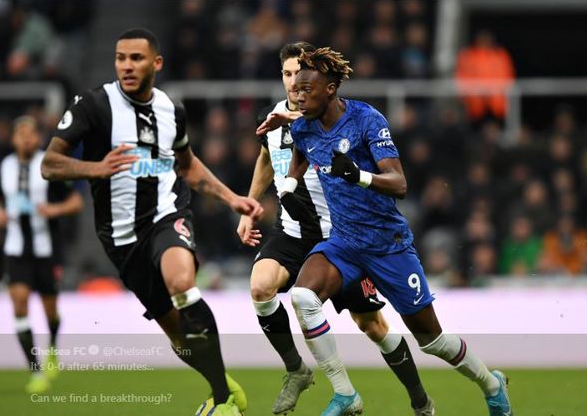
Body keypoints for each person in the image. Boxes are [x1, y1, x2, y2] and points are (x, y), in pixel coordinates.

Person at [278, 47, 514, 416]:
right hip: (344, 243)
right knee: (304, 298)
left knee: (433, 341)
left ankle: (490, 382)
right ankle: (344, 393)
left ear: (331, 89)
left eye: (307, 90)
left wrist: (358, 175)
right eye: (296, 89)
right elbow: (301, 155)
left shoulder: (367, 120)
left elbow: (399, 183)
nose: (299, 96)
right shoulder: (302, 125)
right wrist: (290, 186)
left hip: (388, 245)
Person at [40, 27, 263, 416]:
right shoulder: (94, 106)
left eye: (136, 58)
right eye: (120, 58)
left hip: (167, 215)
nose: (127, 66)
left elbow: (188, 166)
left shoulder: (171, 110)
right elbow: (49, 164)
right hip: (121, 237)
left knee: (181, 282)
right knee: (178, 337)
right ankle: (223, 387)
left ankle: (223, 403)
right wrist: (96, 168)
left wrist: (232, 198)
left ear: (156, 63)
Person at [241, 42, 435, 415]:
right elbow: (266, 158)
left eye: (299, 73)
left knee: (372, 324)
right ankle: (299, 371)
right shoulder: (276, 118)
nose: (293, 81)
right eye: (286, 74)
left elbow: (324, 134)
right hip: (293, 232)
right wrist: (249, 207)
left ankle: (419, 398)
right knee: (260, 286)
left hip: (338, 235)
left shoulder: (321, 117)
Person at [0, 115, 84, 394]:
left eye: (31, 134)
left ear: (38, 138)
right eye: (21, 134)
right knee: (19, 304)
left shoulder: (50, 165)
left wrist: (55, 210)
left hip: (46, 250)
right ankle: (36, 370)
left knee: (51, 311)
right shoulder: (4, 167)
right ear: (14, 139)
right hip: (16, 249)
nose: (27, 139)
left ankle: (52, 349)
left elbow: (76, 201)